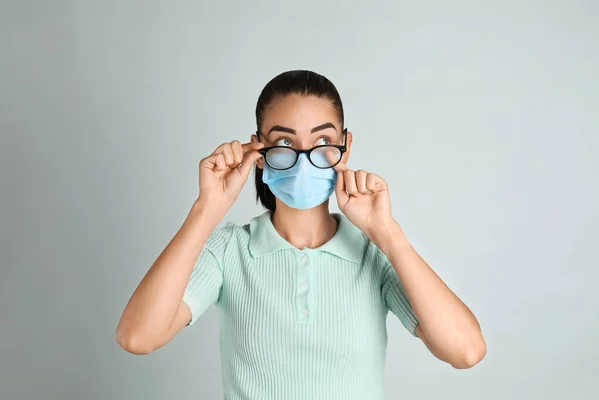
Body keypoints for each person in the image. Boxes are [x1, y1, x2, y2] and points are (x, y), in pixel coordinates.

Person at [116, 70, 486, 399]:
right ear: (258, 152)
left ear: (345, 145)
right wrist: (206, 210)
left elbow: (465, 351)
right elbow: (138, 337)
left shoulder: (375, 255)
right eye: (285, 143)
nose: (305, 158)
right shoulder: (229, 251)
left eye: (322, 141)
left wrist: (388, 234)